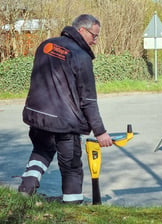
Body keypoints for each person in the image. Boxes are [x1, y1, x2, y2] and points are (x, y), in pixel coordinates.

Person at [18, 14, 112, 204]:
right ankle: (73, 204)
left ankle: (25, 190)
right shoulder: (81, 56)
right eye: (94, 36)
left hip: (37, 116)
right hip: (65, 123)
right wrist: (100, 132)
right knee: (71, 165)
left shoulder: (46, 45)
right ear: (81, 30)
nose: (95, 41)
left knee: (41, 152)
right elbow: (88, 100)